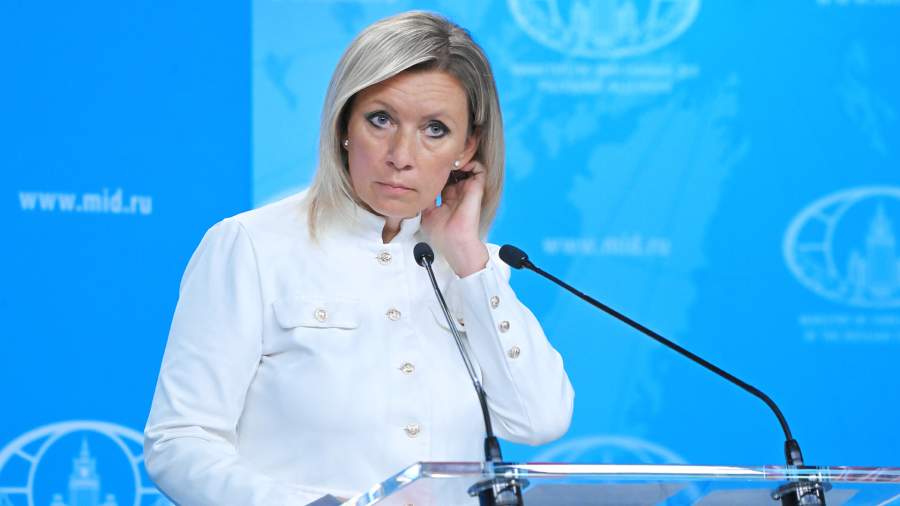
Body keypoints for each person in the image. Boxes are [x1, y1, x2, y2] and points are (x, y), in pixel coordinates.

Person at [144, 11, 574, 505]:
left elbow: (540, 420)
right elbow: (180, 441)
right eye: (381, 119)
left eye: (435, 129)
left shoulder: (477, 267)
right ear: (344, 124)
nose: (401, 155)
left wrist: (470, 260)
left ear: (467, 147)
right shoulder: (250, 246)